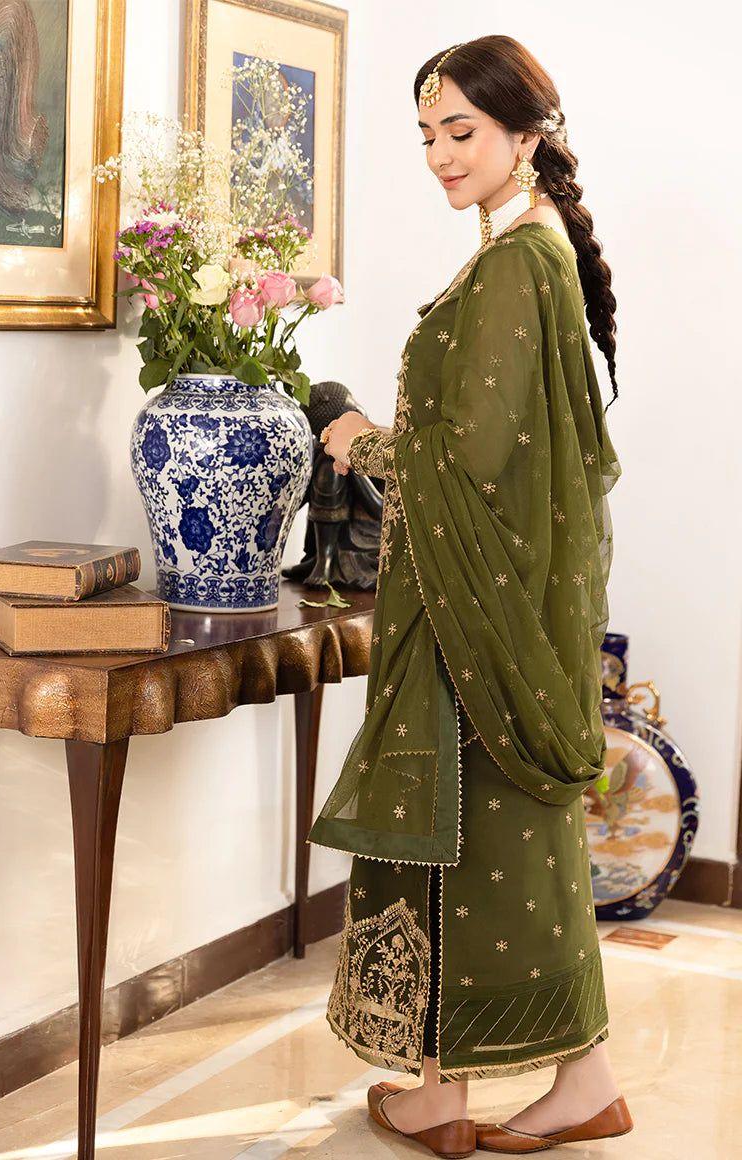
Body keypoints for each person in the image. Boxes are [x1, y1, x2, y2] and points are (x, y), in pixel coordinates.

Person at [309, 34, 633, 1157]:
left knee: (464, 831)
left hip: (468, 604)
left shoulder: (511, 267)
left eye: (462, 133)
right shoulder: (535, 250)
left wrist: (359, 439)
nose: (440, 157)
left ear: (526, 134)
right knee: (487, 837)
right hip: (486, 602)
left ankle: (472, 1090)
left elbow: (477, 461)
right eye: (427, 137)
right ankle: (504, 1084)